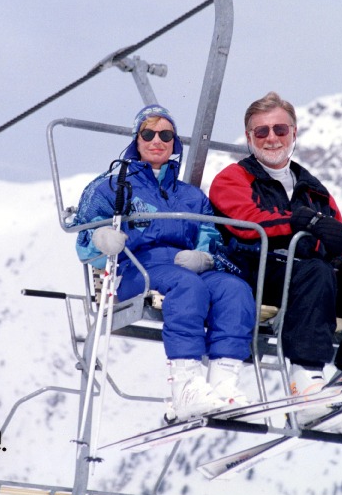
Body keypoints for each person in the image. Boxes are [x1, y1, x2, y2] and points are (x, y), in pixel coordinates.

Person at [209, 91, 342, 423]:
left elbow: (336, 235)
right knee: (316, 272)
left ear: (294, 133)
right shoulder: (234, 178)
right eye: (261, 132)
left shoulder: (313, 190)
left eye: (280, 130)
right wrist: (296, 223)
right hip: (258, 271)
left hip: (312, 278)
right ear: (249, 138)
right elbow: (246, 224)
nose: (272, 138)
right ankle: (305, 379)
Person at [74, 104, 256, 422]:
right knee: (187, 286)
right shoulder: (113, 185)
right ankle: (186, 387)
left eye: (166, 134)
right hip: (135, 268)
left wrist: (207, 258)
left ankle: (223, 384)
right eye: (148, 133)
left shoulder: (190, 196)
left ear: (175, 142)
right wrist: (103, 240)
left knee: (233, 289)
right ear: (136, 139)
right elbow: (86, 236)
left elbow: (211, 237)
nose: (157, 140)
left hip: (185, 266)